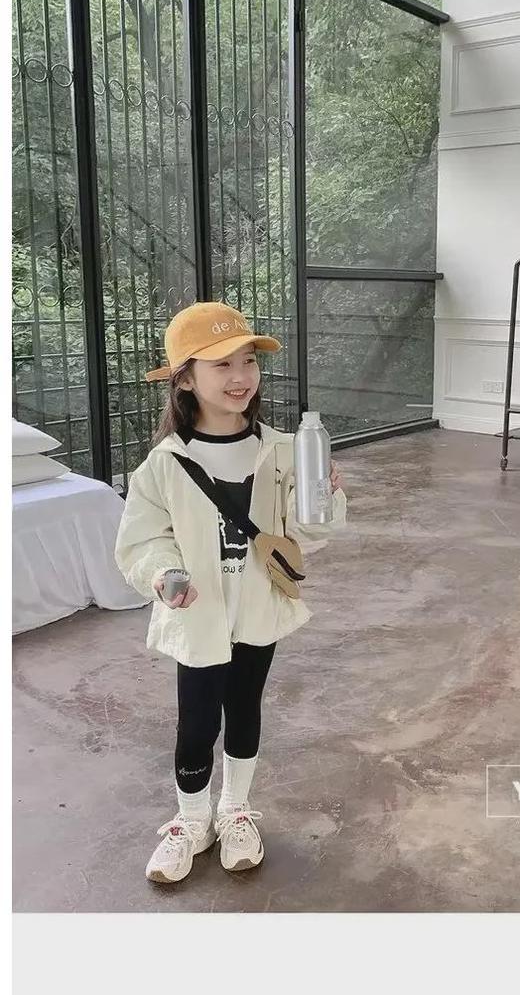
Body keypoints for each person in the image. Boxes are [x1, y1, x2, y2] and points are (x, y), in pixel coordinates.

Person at [114, 301, 347, 884]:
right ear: (185, 380)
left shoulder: (286, 449)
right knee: (196, 721)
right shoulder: (164, 463)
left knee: (245, 708)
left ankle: (235, 810)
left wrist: (325, 497)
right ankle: (192, 820)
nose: (241, 377)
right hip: (198, 615)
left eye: (248, 361)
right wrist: (164, 576)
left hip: (259, 606)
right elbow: (144, 539)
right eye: (221, 365)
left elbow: (307, 535)